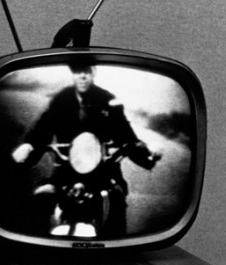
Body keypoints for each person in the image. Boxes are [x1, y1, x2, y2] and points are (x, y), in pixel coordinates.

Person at [11, 62, 160, 235]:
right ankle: (36, 247)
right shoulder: (62, 99)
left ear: (93, 72)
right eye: (77, 71)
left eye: (86, 71)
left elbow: (125, 133)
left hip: (103, 169)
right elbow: (44, 127)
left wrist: (145, 153)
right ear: (72, 74)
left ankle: (117, 250)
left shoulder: (108, 100)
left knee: (115, 198)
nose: (82, 76)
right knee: (43, 195)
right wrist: (29, 146)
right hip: (67, 167)